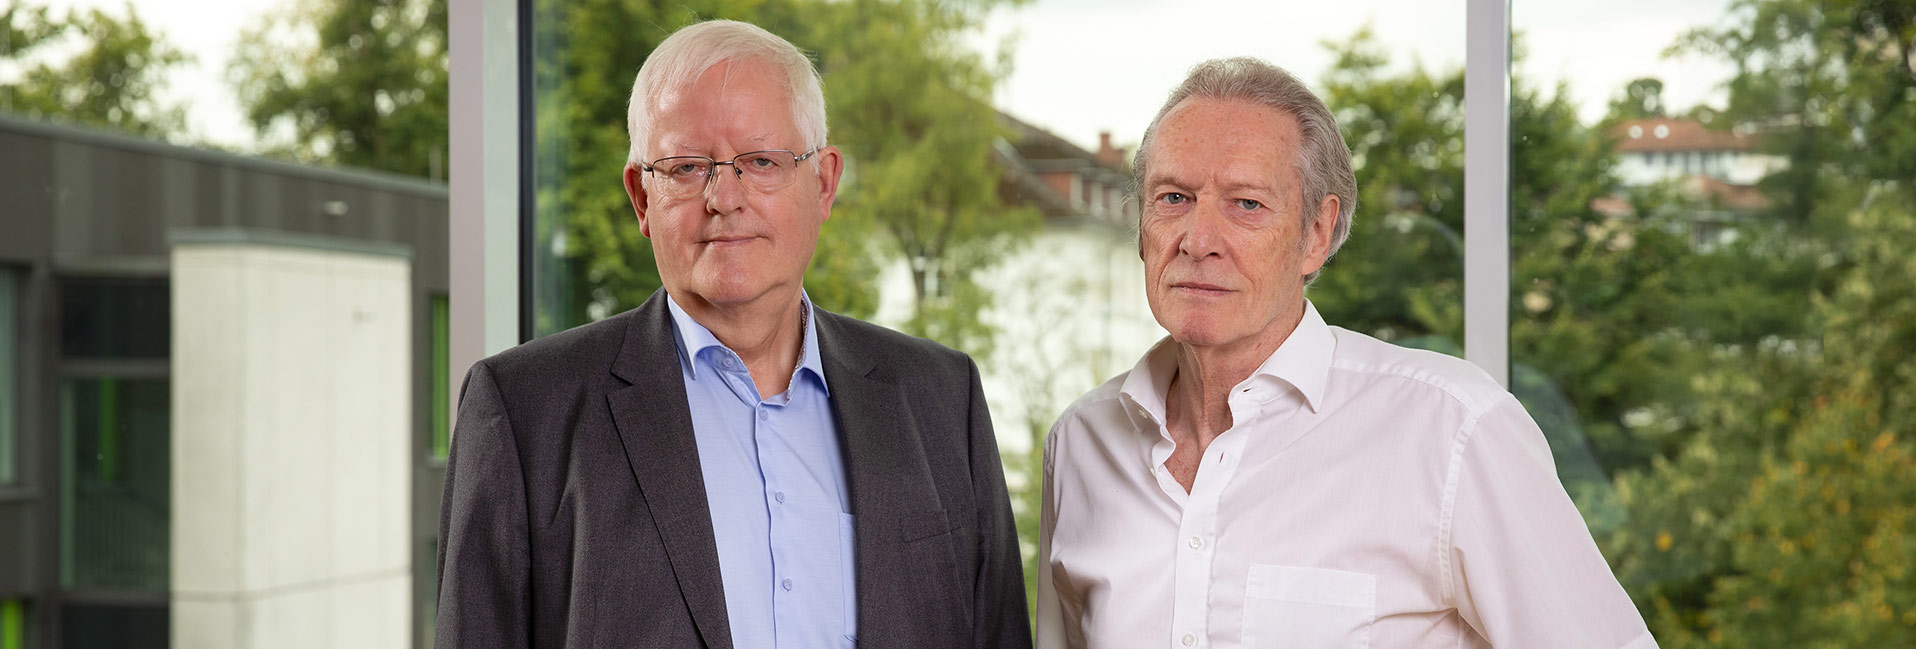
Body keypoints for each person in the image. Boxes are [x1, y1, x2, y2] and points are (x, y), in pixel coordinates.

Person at [436, 20, 1029, 649]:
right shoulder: (524, 412)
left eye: (761, 162)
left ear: (823, 183)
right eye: (688, 167)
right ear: (642, 198)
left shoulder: (940, 398)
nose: (725, 197)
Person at [1035, 57, 1655, 649]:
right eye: (1173, 198)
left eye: (1246, 204)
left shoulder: (1453, 431)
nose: (1198, 240)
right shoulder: (1082, 444)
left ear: (1317, 233)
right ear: (1142, 227)